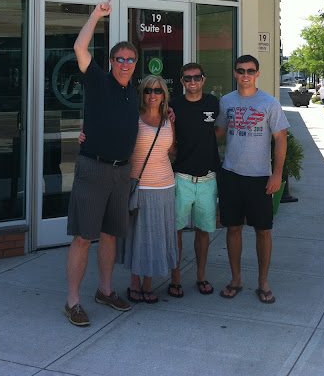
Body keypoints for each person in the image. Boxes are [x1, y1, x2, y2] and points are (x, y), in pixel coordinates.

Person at [65, 0, 138, 326]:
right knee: (84, 236)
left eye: (130, 60)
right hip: (93, 168)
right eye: (120, 59)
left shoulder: (133, 92)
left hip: (122, 172)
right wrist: (97, 14)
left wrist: (169, 114)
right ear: (111, 62)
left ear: (135, 64)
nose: (125, 64)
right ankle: (73, 301)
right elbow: (80, 47)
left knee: (110, 234)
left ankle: (105, 291)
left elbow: (152, 110)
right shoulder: (97, 80)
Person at [214, 55, 288, 304]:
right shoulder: (226, 101)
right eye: (240, 70)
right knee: (233, 228)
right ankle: (235, 280)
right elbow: (218, 132)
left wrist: (277, 174)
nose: (245, 75)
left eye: (250, 70)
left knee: (263, 231)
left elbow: (281, 139)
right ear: (235, 73)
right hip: (231, 175)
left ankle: (263, 283)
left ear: (257, 73)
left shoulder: (270, 103)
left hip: (260, 178)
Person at [121, 75, 178, 304]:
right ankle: (134, 283)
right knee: (139, 237)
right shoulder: (133, 118)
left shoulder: (168, 119)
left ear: (164, 95)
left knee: (157, 237)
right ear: (142, 94)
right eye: (148, 91)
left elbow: (173, 150)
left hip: (165, 186)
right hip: (140, 186)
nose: (152, 95)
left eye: (157, 91)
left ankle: (148, 284)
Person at [168, 63, 220, 298]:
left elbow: (219, 130)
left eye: (196, 77)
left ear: (203, 79)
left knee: (203, 230)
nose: (192, 82)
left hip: (207, 179)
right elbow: (170, 142)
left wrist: (205, 145)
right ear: (181, 81)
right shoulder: (174, 106)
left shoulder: (213, 103)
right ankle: (175, 278)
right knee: (176, 230)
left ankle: (201, 275)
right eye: (187, 78)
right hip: (182, 178)